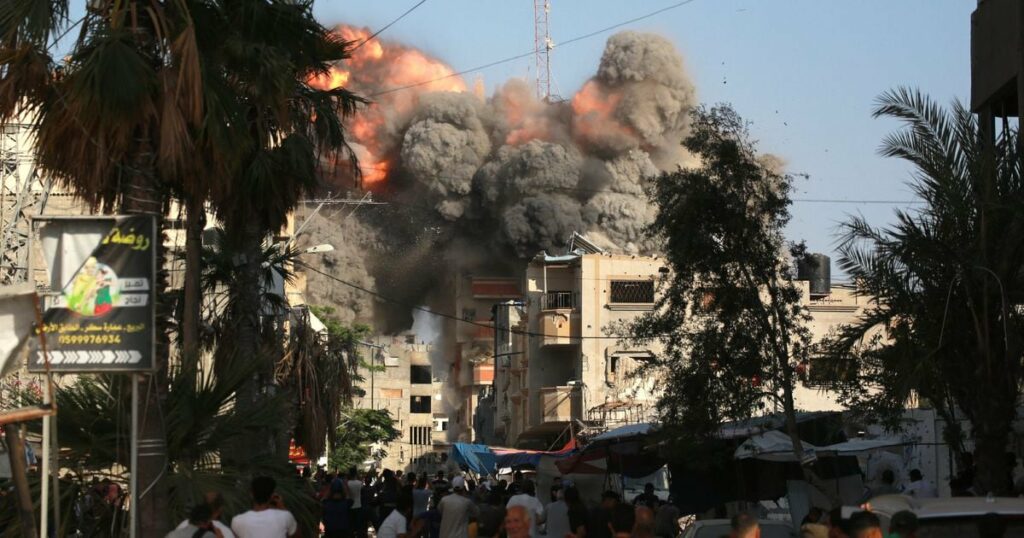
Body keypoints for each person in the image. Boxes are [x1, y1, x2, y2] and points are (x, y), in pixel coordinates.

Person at [230, 476, 298, 538]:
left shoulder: (237, 521)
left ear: (251, 494)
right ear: (272, 496)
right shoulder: (285, 516)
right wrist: (282, 507)